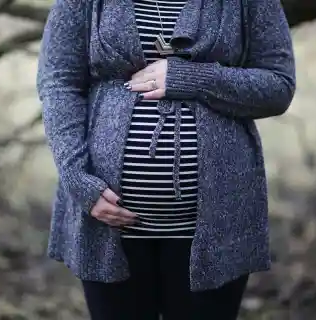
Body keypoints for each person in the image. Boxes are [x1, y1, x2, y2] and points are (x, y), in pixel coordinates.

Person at [36, 0, 295, 319]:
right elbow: (58, 81)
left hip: (217, 225)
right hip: (106, 224)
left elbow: (278, 86)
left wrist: (192, 78)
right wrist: (77, 178)